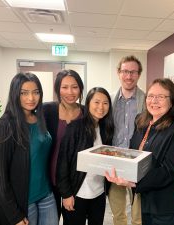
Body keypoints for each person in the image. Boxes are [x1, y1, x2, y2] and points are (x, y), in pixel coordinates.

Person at [106, 78, 174, 225]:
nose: (154, 101)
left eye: (161, 97)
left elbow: (170, 170)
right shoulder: (141, 121)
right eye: (150, 96)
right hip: (145, 200)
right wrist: (121, 170)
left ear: (172, 101)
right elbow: (132, 154)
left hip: (165, 206)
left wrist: (134, 181)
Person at [0, 72, 58, 225]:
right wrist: (15, 216)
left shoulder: (40, 118)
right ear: (15, 94)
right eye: (24, 93)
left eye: (36, 92)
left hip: (46, 194)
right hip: (23, 200)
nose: (31, 98)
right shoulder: (5, 126)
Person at [56, 87, 114, 225]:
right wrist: (66, 194)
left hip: (98, 192)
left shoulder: (106, 129)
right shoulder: (75, 128)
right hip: (77, 193)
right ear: (88, 103)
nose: (101, 107)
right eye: (97, 102)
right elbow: (62, 163)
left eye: (105, 103)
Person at [108, 55, 145, 225]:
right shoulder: (109, 101)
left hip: (137, 162)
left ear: (139, 74)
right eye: (125, 71)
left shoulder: (147, 101)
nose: (128, 76)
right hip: (114, 161)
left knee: (138, 215)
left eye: (133, 72)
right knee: (118, 213)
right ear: (118, 73)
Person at [43, 69, 85, 219]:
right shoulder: (47, 110)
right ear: (57, 89)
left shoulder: (86, 114)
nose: (70, 92)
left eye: (75, 87)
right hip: (49, 181)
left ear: (80, 89)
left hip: (75, 182)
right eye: (64, 87)